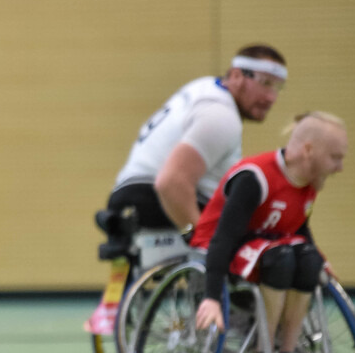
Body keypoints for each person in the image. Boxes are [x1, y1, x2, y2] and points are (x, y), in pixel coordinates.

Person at [192, 112, 348, 353]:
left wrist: (319, 259)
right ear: (308, 151)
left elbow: (296, 227)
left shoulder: (309, 183)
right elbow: (223, 237)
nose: (340, 167)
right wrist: (211, 296)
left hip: (267, 248)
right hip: (219, 250)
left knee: (308, 260)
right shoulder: (256, 177)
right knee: (282, 258)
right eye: (335, 157)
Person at [107, 44, 287, 237]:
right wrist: (204, 243)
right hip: (154, 202)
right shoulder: (221, 116)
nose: (271, 97)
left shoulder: (204, 87)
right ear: (236, 76)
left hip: (125, 198)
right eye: (265, 83)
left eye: (277, 87)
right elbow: (171, 182)